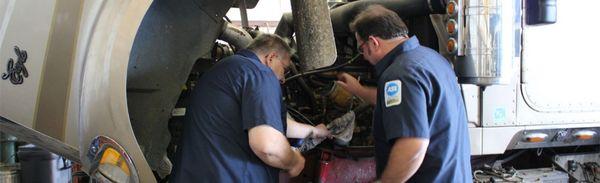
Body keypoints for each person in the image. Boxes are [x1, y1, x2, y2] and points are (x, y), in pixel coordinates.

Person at [336, 5, 472, 182]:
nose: (363, 57)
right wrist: (360, 91)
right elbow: (409, 106)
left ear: (374, 42)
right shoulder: (432, 58)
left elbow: (413, 145)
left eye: (362, 49)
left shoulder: (399, 74)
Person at [170, 34, 330, 182]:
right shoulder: (260, 73)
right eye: (285, 69)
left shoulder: (225, 69)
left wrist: (314, 131)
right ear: (271, 58)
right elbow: (269, 145)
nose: (282, 79)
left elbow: (273, 123)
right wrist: (295, 162)